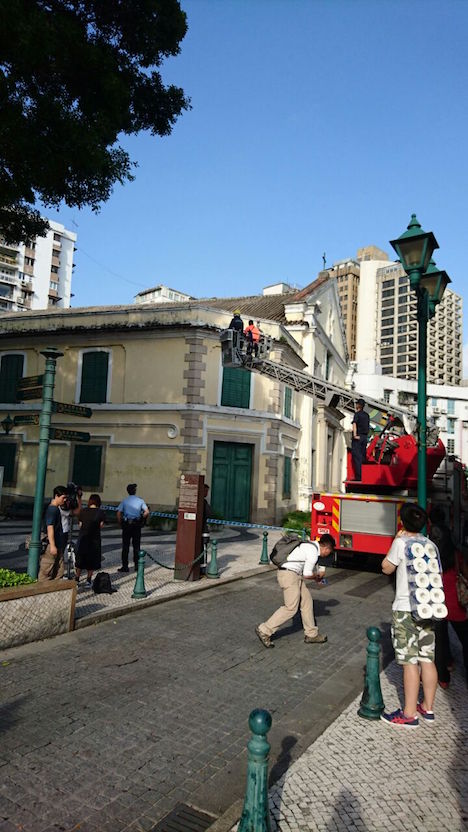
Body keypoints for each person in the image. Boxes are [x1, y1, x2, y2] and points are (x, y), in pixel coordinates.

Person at [381, 503, 438, 728]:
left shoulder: (401, 542)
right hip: (428, 608)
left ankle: (409, 714)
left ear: (403, 522)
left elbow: (386, 567)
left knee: (409, 661)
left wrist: (396, 539)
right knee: (427, 657)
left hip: (405, 608)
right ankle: (429, 707)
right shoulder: (431, 544)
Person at [255, 533, 335, 648]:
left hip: (294, 575)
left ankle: (311, 634)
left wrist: (317, 573)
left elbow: (308, 569)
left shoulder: (311, 546)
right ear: (327, 548)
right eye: (330, 552)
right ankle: (264, 630)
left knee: (307, 602)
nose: (328, 555)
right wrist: (316, 577)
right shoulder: (312, 551)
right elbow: (307, 574)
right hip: (288, 575)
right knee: (291, 608)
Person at [429, 508, 468, 688]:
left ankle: (444, 677)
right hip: (455, 603)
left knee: (440, 640)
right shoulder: (455, 552)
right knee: (465, 638)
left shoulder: (431, 556)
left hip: (437, 602)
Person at [116, 483, 149, 572]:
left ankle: (125, 566)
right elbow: (146, 512)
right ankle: (137, 566)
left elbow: (118, 513)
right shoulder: (140, 501)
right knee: (136, 546)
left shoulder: (125, 501)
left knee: (125, 546)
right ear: (135, 491)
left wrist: (120, 523)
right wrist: (141, 518)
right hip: (136, 525)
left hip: (127, 525)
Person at [38, 485, 68, 581]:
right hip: (51, 546)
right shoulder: (52, 510)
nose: (65, 500)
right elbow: (50, 528)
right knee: (47, 571)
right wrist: (52, 545)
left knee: (58, 571)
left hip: (57, 545)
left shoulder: (55, 509)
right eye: (63, 497)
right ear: (56, 496)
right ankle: (42, 592)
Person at [75, 494, 106, 586]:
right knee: (91, 560)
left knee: (80, 559)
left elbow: (80, 525)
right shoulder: (100, 512)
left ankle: (77, 578)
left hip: (83, 538)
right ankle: (88, 580)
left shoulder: (83, 511)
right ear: (98, 502)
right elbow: (101, 525)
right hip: (94, 539)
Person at [351, 397, 370, 481]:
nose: (355, 405)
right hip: (364, 438)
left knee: (357, 457)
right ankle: (365, 475)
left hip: (358, 437)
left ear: (359, 405)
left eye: (356, 404)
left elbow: (354, 424)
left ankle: (359, 477)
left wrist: (355, 435)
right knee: (363, 457)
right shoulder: (367, 415)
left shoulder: (357, 414)